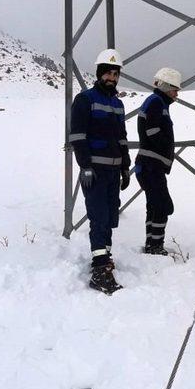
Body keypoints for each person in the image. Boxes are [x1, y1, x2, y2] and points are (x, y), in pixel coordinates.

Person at [70, 49, 130, 294]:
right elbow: (77, 136)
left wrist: (125, 166)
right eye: (108, 72)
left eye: (115, 73)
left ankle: (105, 257)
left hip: (113, 172)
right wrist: (84, 166)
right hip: (94, 170)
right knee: (99, 218)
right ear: (99, 73)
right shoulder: (85, 100)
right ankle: (99, 269)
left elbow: (123, 138)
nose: (112, 77)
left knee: (110, 218)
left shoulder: (118, 104)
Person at [134, 67, 181, 255]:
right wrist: (165, 148)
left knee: (154, 205)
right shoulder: (156, 103)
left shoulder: (157, 102)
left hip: (150, 165)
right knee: (162, 205)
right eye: (175, 89)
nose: (177, 93)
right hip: (150, 165)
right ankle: (155, 246)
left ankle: (152, 244)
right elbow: (152, 131)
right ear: (165, 86)